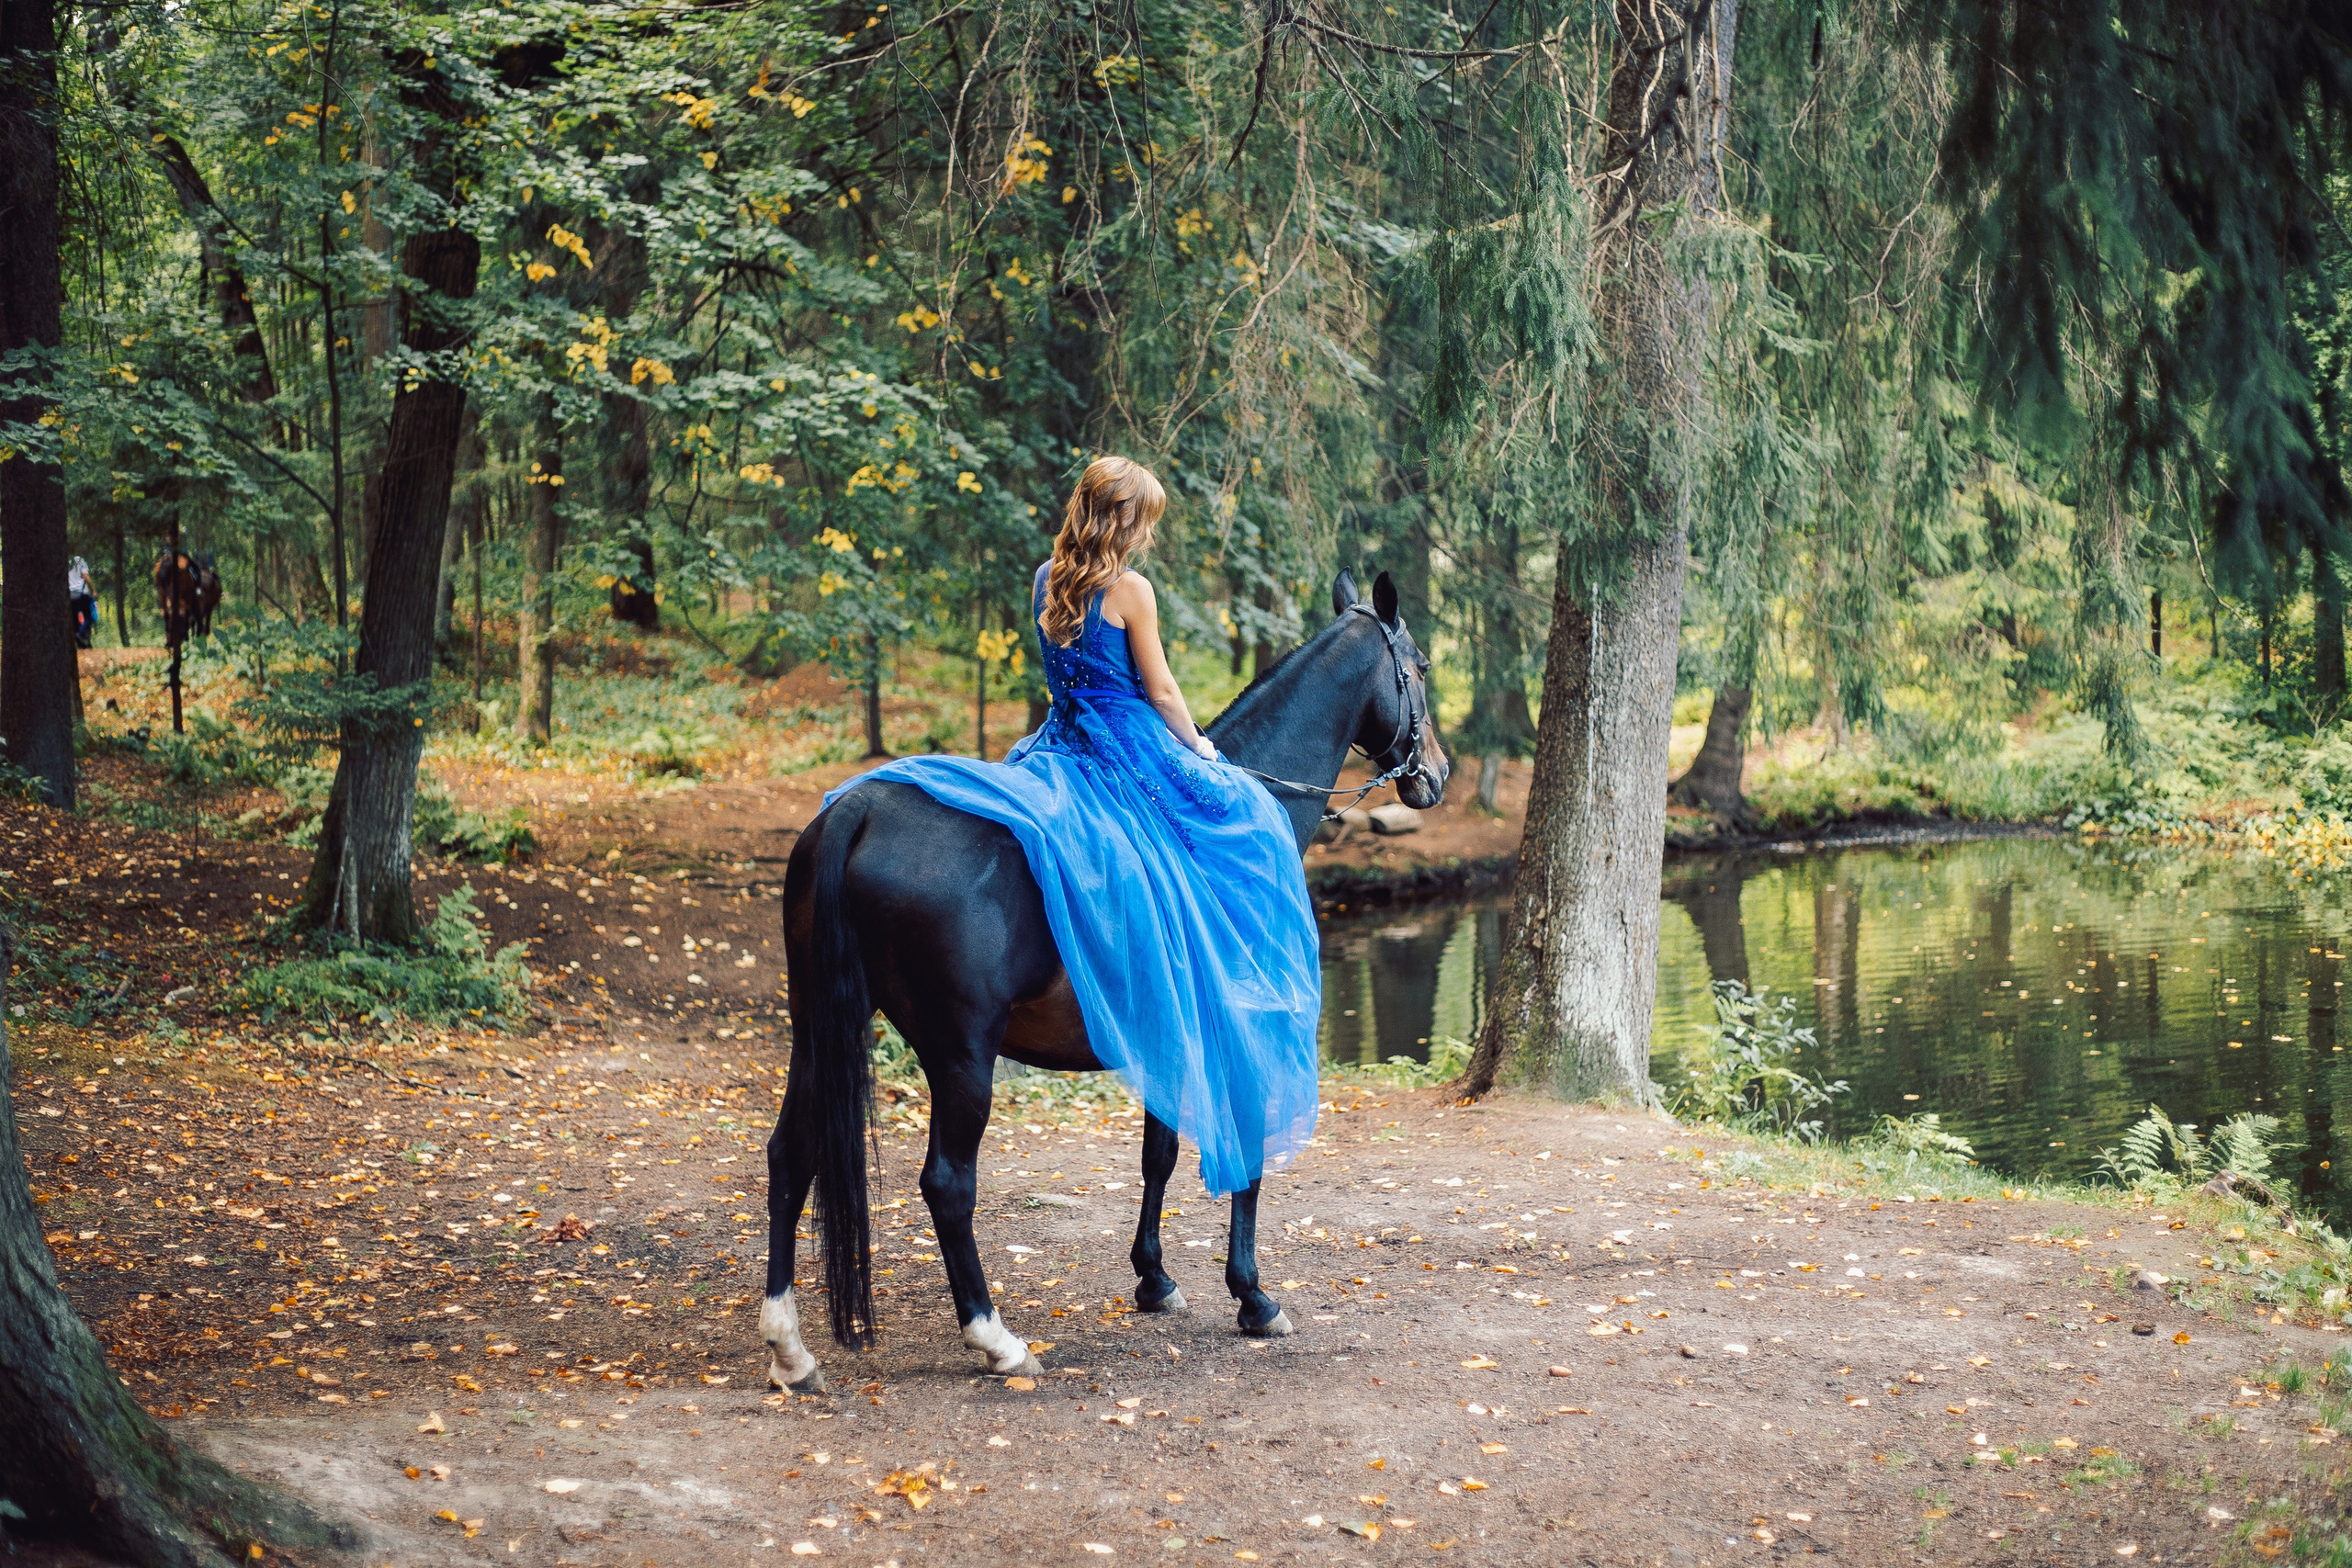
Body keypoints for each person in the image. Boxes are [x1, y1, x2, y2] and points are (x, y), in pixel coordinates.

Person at [825, 457, 1320, 1196]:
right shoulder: (1130, 590)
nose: (1147, 535)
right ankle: (1221, 991)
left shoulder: (1045, 577)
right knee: (1247, 824)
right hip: (1128, 750)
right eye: (1144, 520)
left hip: (1062, 746)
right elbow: (1159, 688)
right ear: (1121, 518)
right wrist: (1204, 748)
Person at [66, 556, 96, 649]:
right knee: (89, 617)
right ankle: (80, 634)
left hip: (70, 595)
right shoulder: (81, 561)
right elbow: (85, 576)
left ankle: (80, 643)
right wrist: (93, 590)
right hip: (81, 594)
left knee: (75, 619)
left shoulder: (68, 563)